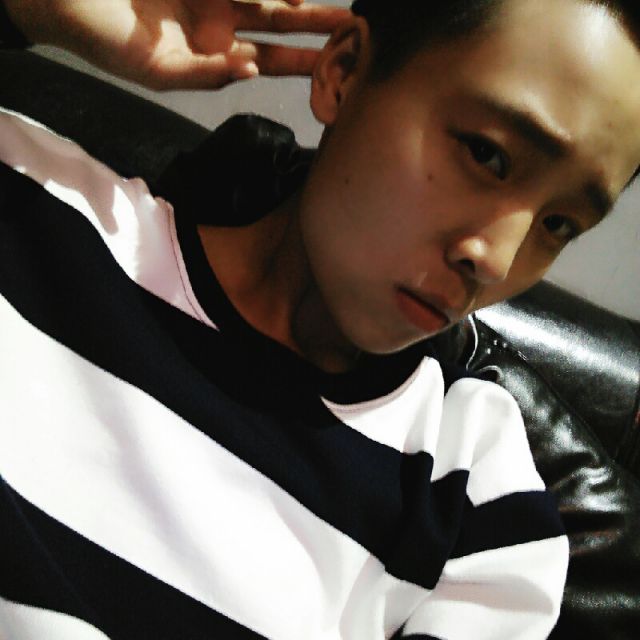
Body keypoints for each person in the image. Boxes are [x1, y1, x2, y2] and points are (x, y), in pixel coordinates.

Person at [1, 0, 639, 638]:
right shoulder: (34, 207)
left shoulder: (481, 501)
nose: (496, 262)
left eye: (559, 224)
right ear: (345, 71)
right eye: (488, 155)